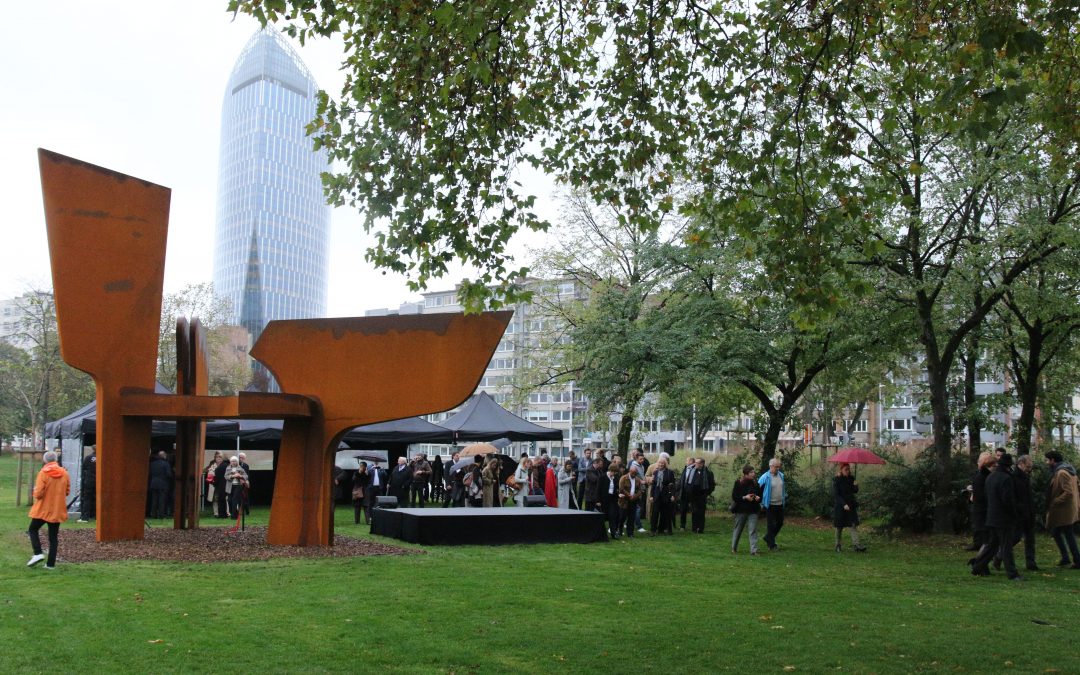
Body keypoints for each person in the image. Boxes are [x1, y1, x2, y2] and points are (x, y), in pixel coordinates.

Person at [970, 454, 1022, 580]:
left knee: (992, 545)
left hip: (991, 516)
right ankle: (1012, 573)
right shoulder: (1006, 478)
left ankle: (977, 566)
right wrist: (1015, 514)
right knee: (1006, 546)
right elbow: (1007, 499)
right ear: (1009, 466)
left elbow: (987, 496)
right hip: (1004, 518)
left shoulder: (991, 477)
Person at [27, 450, 70, 569]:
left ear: (45, 460)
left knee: (32, 529)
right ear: (56, 460)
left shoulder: (43, 473)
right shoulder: (64, 473)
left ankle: (38, 553)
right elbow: (67, 491)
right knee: (53, 537)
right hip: (57, 509)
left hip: (43, 509)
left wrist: (34, 492)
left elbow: (39, 493)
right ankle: (50, 564)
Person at [1044, 450, 1080, 568]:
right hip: (1068, 509)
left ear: (1053, 460)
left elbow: (1068, 492)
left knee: (1067, 534)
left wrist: (1055, 501)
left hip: (1064, 510)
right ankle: (1067, 558)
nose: (1046, 462)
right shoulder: (1069, 470)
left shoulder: (1062, 472)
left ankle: (1076, 560)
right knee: (1057, 532)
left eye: (1047, 460)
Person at [1011, 455, 1039, 571]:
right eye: (1028, 466)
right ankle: (999, 555)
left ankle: (1031, 562)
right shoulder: (1014, 477)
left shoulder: (1024, 476)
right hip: (1020, 513)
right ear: (1021, 463)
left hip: (1028, 512)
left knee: (1030, 539)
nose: (1029, 468)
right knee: (1016, 537)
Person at [832, 463, 866, 552]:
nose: (848, 471)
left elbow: (854, 491)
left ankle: (857, 545)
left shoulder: (851, 478)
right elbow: (836, 495)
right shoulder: (837, 480)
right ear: (841, 470)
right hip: (840, 506)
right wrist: (844, 504)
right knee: (839, 526)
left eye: (848, 469)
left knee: (853, 525)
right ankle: (838, 545)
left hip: (851, 505)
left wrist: (856, 485)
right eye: (846, 469)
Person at [758, 457, 787, 551]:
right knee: (771, 525)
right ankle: (772, 545)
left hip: (780, 504)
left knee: (780, 523)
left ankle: (768, 537)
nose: (778, 468)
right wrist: (760, 502)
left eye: (779, 466)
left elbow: (782, 488)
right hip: (769, 504)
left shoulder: (781, 475)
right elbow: (758, 490)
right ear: (771, 466)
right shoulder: (765, 477)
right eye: (776, 466)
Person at [731, 464, 762, 554]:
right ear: (746, 474)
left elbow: (760, 495)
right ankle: (734, 548)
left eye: (753, 472)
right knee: (738, 529)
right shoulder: (738, 483)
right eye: (751, 472)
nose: (753, 474)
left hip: (753, 510)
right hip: (741, 510)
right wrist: (745, 497)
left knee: (753, 530)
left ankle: (754, 550)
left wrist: (757, 498)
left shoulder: (756, 483)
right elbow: (735, 497)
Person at [968, 452, 995, 551]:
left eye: (980, 461)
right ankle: (978, 543)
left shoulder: (983, 476)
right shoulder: (979, 475)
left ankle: (980, 545)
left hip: (981, 505)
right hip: (978, 503)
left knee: (981, 527)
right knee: (977, 525)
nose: (978, 463)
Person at [687, 458, 716, 534]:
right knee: (694, 512)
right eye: (695, 462)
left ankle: (700, 529)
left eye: (697, 463)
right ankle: (694, 528)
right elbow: (688, 483)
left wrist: (706, 494)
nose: (695, 464)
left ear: (702, 464)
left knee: (701, 512)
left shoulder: (708, 473)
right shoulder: (692, 471)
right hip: (693, 495)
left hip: (702, 495)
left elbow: (712, 485)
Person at [649, 456, 677, 535]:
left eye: (662, 463)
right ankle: (653, 530)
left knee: (666, 514)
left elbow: (672, 485)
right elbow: (653, 485)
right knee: (655, 514)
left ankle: (667, 530)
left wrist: (672, 495)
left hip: (666, 495)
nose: (661, 464)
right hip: (656, 496)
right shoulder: (655, 472)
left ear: (665, 464)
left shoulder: (669, 472)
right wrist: (651, 496)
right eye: (660, 463)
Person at [617, 464, 644, 537]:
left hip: (633, 501)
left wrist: (635, 496)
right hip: (624, 501)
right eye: (632, 473)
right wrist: (628, 495)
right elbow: (621, 489)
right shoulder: (623, 478)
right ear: (629, 471)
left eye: (635, 473)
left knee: (631, 517)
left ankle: (630, 533)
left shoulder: (637, 479)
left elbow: (640, 490)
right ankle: (620, 530)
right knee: (622, 516)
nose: (634, 475)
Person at [148, 450, 172, 519]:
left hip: (153, 483)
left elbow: (150, 473)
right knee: (162, 500)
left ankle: (153, 514)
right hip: (163, 483)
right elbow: (168, 474)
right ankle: (161, 515)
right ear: (164, 456)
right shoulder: (166, 464)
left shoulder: (153, 464)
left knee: (154, 500)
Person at [78, 445, 97, 522]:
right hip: (99, 481)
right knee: (98, 498)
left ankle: (85, 517)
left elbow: (84, 468)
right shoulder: (103, 457)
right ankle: (97, 517)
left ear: (92, 449)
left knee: (87, 499)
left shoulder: (88, 458)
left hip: (89, 480)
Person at [677, 456, 696, 530]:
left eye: (687, 460)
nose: (686, 462)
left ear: (691, 461)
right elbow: (682, 479)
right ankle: (682, 525)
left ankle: (695, 526)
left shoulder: (695, 469)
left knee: (694, 509)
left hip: (692, 492)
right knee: (683, 509)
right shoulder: (685, 469)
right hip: (684, 492)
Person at [202, 451, 223, 515]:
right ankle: (216, 513)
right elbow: (205, 470)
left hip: (222, 484)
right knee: (215, 498)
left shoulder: (225, 464)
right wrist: (209, 470)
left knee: (223, 498)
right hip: (214, 484)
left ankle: (226, 512)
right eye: (217, 457)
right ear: (215, 458)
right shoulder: (212, 463)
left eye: (220, 457)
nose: (218, 458)